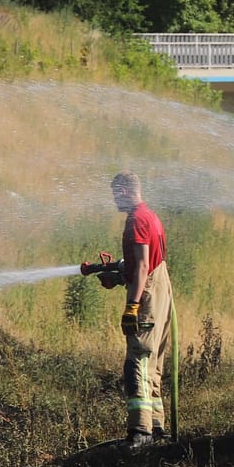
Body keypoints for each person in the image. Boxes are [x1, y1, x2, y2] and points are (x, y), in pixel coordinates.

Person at [100, 171, 174, 449]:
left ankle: (140, 432)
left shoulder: (137, 220)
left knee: (137, 361)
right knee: (152, 363)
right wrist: (120, 276)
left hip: (147, 300)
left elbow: (143, 265)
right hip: (160, 295)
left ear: (123, 191)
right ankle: (156, 426)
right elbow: (147, 262)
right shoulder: (150, 216)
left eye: (114, 194)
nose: (113, 200)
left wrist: (132, 306)